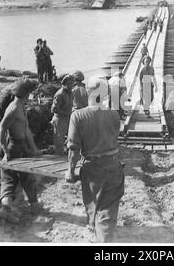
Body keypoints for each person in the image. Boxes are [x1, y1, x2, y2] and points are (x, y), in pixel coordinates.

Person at [65, 76, 124, 242]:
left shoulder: (77, 116)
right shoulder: (114, 114)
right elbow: (114, 137)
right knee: (109, 207)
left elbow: (74, 149)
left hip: (92, 169)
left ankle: (100, 237)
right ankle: (100, 232)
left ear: (87, 93)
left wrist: (70, 171)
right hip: (113, 165)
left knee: (93, 204)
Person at [0, 79, 41, 223]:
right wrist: (5, 151)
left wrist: (33, 149)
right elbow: (1, 129)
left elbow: (26, 130)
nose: (30, 95)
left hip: (21, 147)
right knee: (9, 179)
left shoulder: (21, 106)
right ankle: (5, 211)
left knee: (28, 176)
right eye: (29, 92)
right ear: (25, 93)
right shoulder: (14, 107)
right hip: (12, 147)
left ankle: (34, 205)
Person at [51, 75, 74, 155]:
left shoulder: (70, 93)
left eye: (72, 83)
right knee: (59, 142)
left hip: (68, 119)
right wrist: (66, 113)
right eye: (69, 84)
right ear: (64, 84)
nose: (71, 85)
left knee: (71, 138)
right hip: (59, 119)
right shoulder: (59, 94)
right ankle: (58, 157)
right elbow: (54, 109)